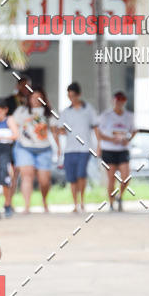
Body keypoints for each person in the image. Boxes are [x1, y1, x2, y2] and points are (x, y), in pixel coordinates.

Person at [12, 88, 58, 213]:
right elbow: (13, 125)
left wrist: (58, 148)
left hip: (44, 149)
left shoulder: (48, 112)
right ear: (29, 98)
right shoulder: (21, 111)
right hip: (25, 148)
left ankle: (44, 201)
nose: (36, 100)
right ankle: (27, 206)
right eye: (33, 97)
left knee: (44, 180)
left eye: (39, 97)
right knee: (27, 176)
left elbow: (54, 131)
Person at [58, 82, 98, 213]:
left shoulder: (88, 109)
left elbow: (96, 127)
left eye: (73, 96)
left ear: (79, 95)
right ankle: (75, 204)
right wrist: (59, 131)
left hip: (85, 148)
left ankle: (82, 202)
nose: (72, 99)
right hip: (70, 149)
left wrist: (99, 146)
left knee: (81, 174)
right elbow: (61, 129)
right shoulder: (65, 112)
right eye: (69, 96)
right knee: (72, 177)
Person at [97, 91, 136, 211]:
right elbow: (98, 133)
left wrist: (128, 140)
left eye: (121, 101)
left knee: (126, 177)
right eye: (117, 101)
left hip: (123, 150)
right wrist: (110, 140)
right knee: (111, 178)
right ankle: (111, 202)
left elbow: (134, 130)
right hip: (109, 150)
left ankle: (120, 196)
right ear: (113, 101)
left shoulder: (129, 116)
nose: (119, 103)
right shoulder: (106, 116)